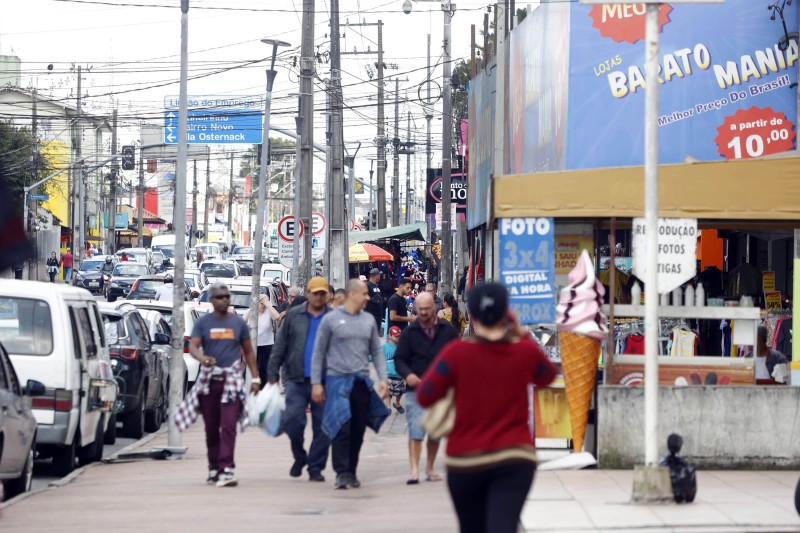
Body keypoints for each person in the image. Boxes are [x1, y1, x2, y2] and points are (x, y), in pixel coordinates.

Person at [416, 283, 558, 533]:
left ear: (471, 315)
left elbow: (425, 395)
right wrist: (520, 333)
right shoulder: (523, 351)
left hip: (465, 460)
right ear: (506, 313)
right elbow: (547, 376)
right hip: (514, 457)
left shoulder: (456, 353)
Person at [178, 282, 260, 488]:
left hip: (231, 382)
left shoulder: (238, 323)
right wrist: (202, 357)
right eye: (219, 296)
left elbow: (248, 351)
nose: (224, 299)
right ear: (211, 300)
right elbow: (194, 346)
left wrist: (256, 377)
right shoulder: (203, 323)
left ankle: (227, 468)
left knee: (229, 426)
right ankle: (214, 467)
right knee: (212, 428)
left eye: (226, 296)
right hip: (209, 383)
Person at [311, 279, 390, 490]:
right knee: (341, 427)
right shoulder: (331, 319)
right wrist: (317, 382)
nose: (368, 297)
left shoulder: (368, 321)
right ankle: (341, 472)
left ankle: (351, 471)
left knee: (357, 430)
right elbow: (318, 352)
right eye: (364, 294)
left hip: (361, 382)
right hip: (337, 381)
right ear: (353, 294)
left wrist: (383, 379)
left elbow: (376, 352)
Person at [269, 277, 332, 482]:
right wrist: (272, 372)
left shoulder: (332, 317)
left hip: (324, 381)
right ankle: (300, 456)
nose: (320, 297)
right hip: (296, 378)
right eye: (316, 293)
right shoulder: (294, 315)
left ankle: (315, 467)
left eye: (323, 293)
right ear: (308, 293)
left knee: (322, 427)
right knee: (293, 421)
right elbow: (281, 345)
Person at [395, 292, 459, 485]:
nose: (423, 312)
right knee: (415, 428)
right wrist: (408, 375)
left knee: (435, 431)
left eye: (427, 309)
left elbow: (457, 356)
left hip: (440, 390)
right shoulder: (409, 333)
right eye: (420, 309)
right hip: (416, 390)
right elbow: (399, 359)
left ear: (434, 308)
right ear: (415, 309)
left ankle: (429, 468)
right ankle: (414, 470)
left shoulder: (447, 330)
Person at [246, 294, 279, 390]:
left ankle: (262, 388)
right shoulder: (250, 312)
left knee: (263, 369)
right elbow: (242, 325)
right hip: (252, 345)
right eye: (261, 303)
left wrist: (268, 304)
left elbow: (277, 317)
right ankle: (251, 387)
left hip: (266, 345)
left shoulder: (269, 312)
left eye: (264, 303)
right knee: (252, 368)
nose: (262, 305)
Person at [382, 326, 405, 414]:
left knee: (399, 391)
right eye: (396, 336)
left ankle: (397, 403)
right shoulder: (384, 346)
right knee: (388, 391)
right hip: (388, 373)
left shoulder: (402, 347)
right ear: (390, 335)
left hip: (399, 374)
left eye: (399, 336)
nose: (398, 338)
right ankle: (388, 407)